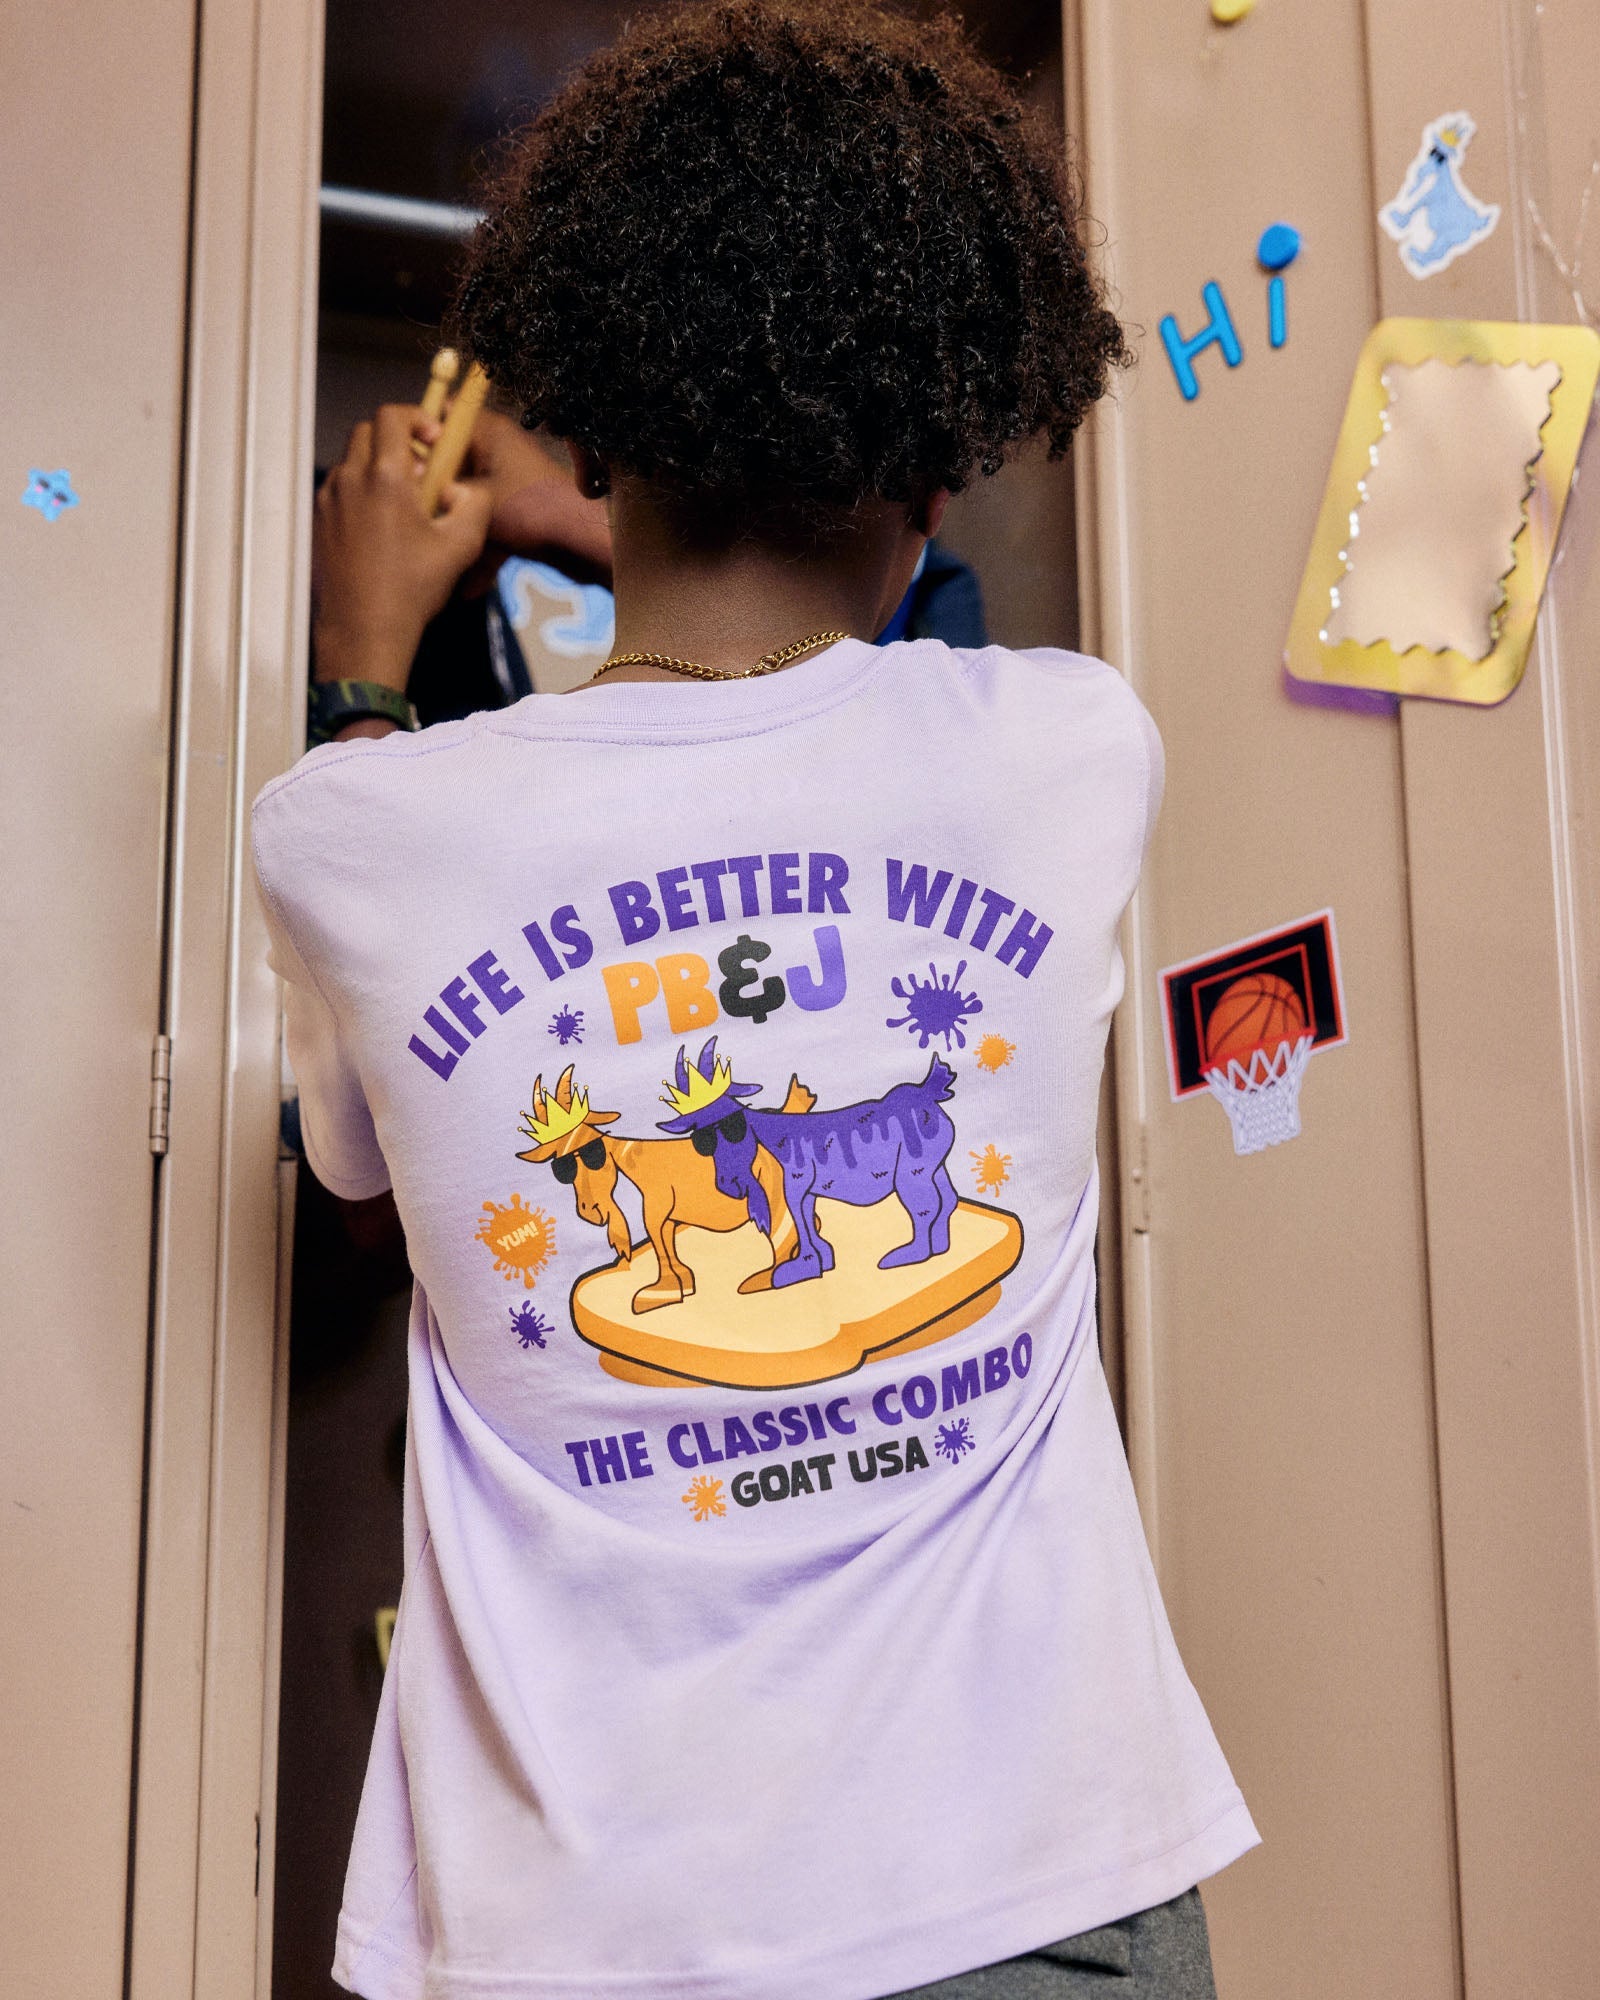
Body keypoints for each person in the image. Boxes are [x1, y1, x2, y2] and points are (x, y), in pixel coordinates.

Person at [251, 5, 1259, 1996]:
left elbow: (360, 1201)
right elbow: (883, 670)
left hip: (562, 1929)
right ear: (951, 440)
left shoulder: (347, 834)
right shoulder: (1065, 749)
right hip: (1041, 1887)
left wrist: (364, 658)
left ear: (582, 416)